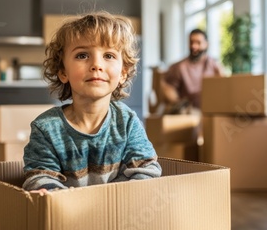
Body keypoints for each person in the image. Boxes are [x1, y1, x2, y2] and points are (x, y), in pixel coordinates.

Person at [22, 12, 162, 192]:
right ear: (63, 72)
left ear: (122, 74)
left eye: (109, 56)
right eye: (82, 55)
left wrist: (111, 199)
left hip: (120, 212)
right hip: (66, 216)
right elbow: (39, 178)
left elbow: (147, 170)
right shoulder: (46, 129)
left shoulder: (127, 122)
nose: (97, 64)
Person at [162, 28, 223, 110]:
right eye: (191, 42)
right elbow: (168, 88)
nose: (194, 46)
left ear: (206, 44)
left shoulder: (215, 65)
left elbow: (224, 87)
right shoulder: (179, 67)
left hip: (210, 111)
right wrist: (179, 104)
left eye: (198, 43)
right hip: (188, 113)